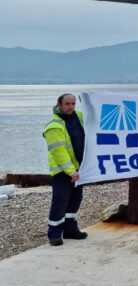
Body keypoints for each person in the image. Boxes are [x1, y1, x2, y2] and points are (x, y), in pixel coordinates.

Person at [43, 93, 87, 246]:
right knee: (60, 202)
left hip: (78, 168)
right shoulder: (54, 126)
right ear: (59, 104)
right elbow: (59, 152)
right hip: (63, 172)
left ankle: (70, 229)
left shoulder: (79, 117)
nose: (71, 107)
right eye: (67, 104)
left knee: (75, 200)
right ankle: (54, 234)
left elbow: (95, 120)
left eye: (73, 103)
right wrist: (71, 171)